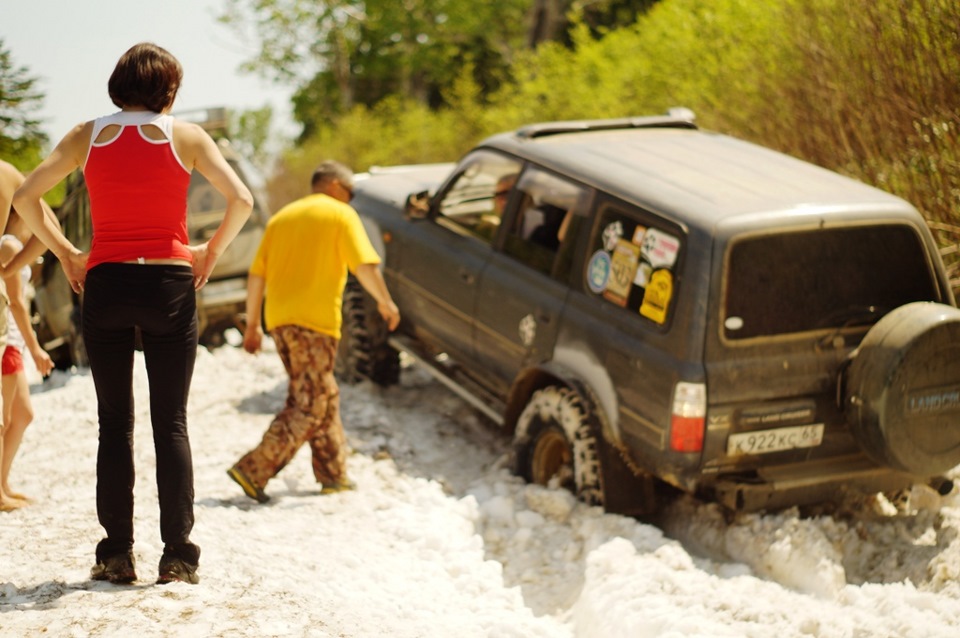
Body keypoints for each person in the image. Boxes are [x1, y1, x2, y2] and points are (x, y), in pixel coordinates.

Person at [12, 42, 254, 585]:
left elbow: (29, 196)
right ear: (169, 89)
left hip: (108, 282)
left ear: (117, 83)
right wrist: (209, 252)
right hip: (169, 281)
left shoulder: (86, 135)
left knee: (114, 423)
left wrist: (68, 254)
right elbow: (241, 200)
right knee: (171, 422)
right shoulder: (187, 136)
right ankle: (177, 557)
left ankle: (117, 554)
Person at [227, 160, 400, 504]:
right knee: (310, 403)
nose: (350, 200)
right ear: (336, 185)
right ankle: (254, 468)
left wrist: (253, 325)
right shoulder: (340, 214)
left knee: (323, 394)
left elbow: (257, 275)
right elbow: (364, 265)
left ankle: (334, 474)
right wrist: (385, 301)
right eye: (349, 193)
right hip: (316, 322)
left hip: (280, 321)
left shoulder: (281, 219)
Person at [0, 213, 55, 508]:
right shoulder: (8, 244)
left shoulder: (15, 244)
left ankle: (2, 482)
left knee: (21, 416)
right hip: (8, 339)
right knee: (6, 419)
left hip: (13, 340)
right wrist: (35, 348)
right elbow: (16, 302)